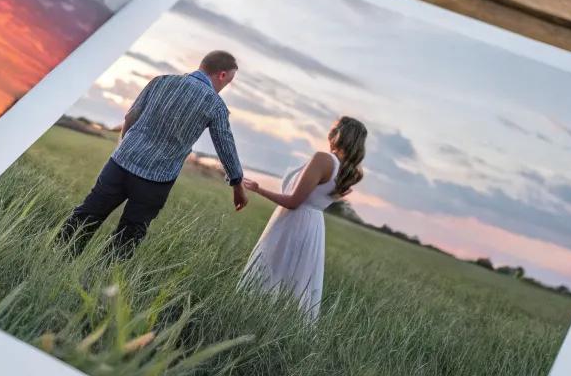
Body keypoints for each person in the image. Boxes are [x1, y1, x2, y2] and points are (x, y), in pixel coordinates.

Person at [58, 49, 254, 255]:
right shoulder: (216, 105)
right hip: (156, 179)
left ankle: (56, 257)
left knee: (88, 213)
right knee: (129, 235)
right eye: (228, 82)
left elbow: (130, 117)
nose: (224, 87)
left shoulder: (161, 81)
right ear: (222, 75)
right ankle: (97, 279)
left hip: (121, 162)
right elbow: (225, 147)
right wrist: (237, 184)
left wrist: (125, 147)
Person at [241, 116, 367, 319]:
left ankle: (253, 318)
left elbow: (293, 202)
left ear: (339, 134)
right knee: (293, 283)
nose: (330, 130)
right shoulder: (348, 172)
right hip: (313, 226)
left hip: (294, 221)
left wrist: (258, 189)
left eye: (334, 127)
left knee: (271, 275)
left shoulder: (324, 160)